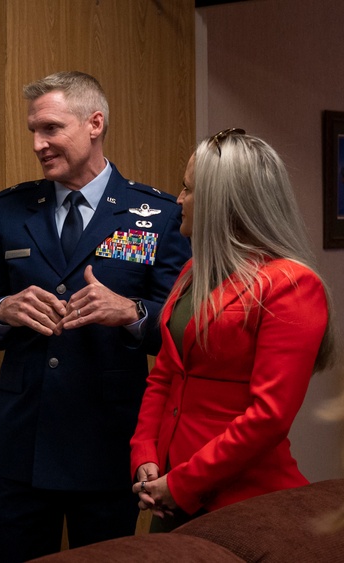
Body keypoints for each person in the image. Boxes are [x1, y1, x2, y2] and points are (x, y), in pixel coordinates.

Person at [0, 71, 191, 561]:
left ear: (94, 123)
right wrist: (5, 309)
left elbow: (181, 331)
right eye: (33, 132)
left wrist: (129, 312)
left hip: (107, 444)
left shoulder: (155, 214)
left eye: (51, 129)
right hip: (25, 447)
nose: (39, 144)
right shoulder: (9, 210)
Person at [130, 129, 338, 531]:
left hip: (243, 502)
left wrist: (183, 481)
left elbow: (269, 417)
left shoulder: (291, 285)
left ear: (219, 202)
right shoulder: (194, 273)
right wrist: (145, 455)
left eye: (187, 189)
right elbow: (166, 374)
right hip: (170, 495)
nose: (178, 200)